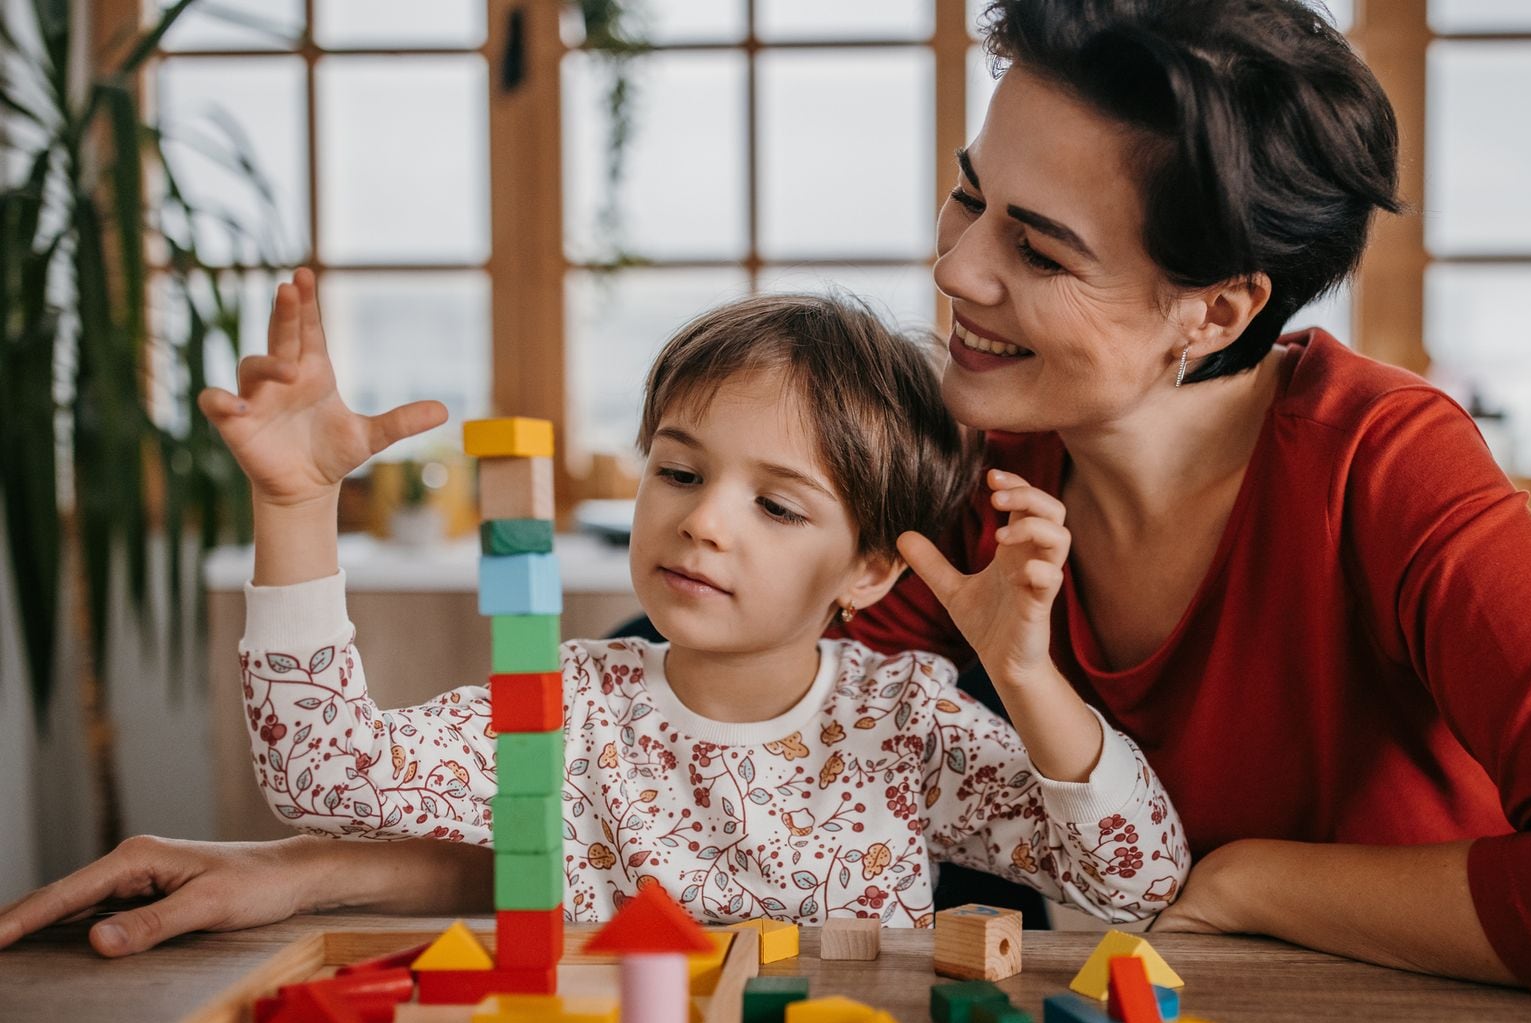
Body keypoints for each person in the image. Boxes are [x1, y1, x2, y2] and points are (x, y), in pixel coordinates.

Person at [1, 0, 1531, 1011]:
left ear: (1218, 309)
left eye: (1032, 245)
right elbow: (679, 792)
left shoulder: (1396, 476)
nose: (950, 273)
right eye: (965, 199)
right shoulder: (957, 486)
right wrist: (301, 869)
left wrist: (1245, 881)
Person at [222, 276, 1184, 926]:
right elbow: (325, 779)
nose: (705, 522)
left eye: (775, 504)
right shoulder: (571, 709)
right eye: (679, 471)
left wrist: (1025, 673)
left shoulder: (904, 725)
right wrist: (297, 506)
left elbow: (1138, 880)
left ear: (870, 573)